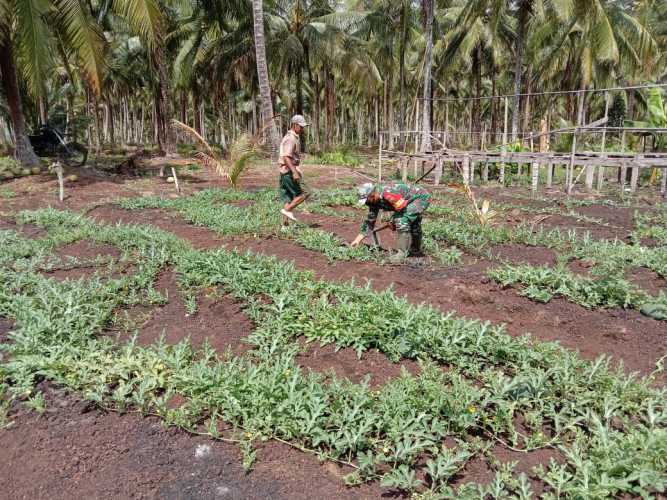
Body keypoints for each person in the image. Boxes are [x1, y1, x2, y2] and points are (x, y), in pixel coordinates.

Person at [350, 182, 431, 260]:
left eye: (367, 199)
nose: (367, 202)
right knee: (414, 223)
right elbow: (370, 221)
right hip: (407, 202)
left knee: (401, 220)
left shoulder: (387, 193)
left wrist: (392, 221)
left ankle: (402, 254)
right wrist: (357, 240)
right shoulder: (373, 202)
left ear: (372, 194)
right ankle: (415, 250)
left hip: (420, 197)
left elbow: (401, 208)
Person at [279, 114, 309, 226]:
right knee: (305, 192)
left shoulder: (292, 137)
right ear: (295, 125)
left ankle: (284, 226)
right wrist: (295, 172)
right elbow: (286, 157)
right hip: (289, 171)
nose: (302, 129)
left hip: (285, 171)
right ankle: (287, 211)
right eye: (301, 127)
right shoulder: (291, 139)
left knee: (289, 198)